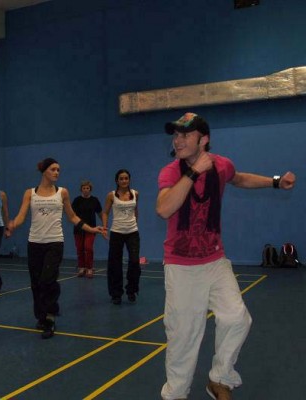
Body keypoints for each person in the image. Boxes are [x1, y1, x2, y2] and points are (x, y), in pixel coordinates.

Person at [156, 112, 296, 400]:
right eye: (176, 135)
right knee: (184, 335)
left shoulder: (221, 165)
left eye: (185, 134)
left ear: (203, 139)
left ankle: (219, 378)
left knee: (237, 319)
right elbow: (164, 208)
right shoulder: (171, 171)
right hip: (181, 266)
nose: (178, 140)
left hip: (215, 260)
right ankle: (176, 393)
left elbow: (240, 178)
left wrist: (275, 181)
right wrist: (193, 173)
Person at [8, 158, 104, 339]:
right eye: (53, 169)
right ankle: (41, 316)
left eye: (58, 170)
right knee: (36, 283)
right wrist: (13, 224)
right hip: (34, 243)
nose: (57, 172)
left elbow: (73, 217)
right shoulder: (30, 193)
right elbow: (21, 216)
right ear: (44, 171)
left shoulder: (62, 193)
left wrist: (91, 229)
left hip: (55, 243)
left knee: (48, 280)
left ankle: (50, 318)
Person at [102, 169, 140, 305]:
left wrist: (135, 224)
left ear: (129, 180)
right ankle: (116, 294)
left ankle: (131, 290)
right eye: (121, 178)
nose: (124, 181)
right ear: (117, 181)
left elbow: (135, 210)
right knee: (114, 264)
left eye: (126, 178)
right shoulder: (111, 195)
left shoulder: (135, 194)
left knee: (134, 262)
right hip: (116, 232)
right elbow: (105, 212)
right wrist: (104, 227)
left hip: (132, 232)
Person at [72, 180, 102, 278]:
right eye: (84, 188)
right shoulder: (77, 200)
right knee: (79, 248)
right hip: (78, 228)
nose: (85, 190)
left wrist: (104, 224)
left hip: (91, 228)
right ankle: (81, 267)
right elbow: (72, 215)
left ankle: (89, 268)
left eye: (87, 188)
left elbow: (100, 213)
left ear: (90, 189)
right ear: (81, 189)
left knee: (88, 248)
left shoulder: (95, 200)